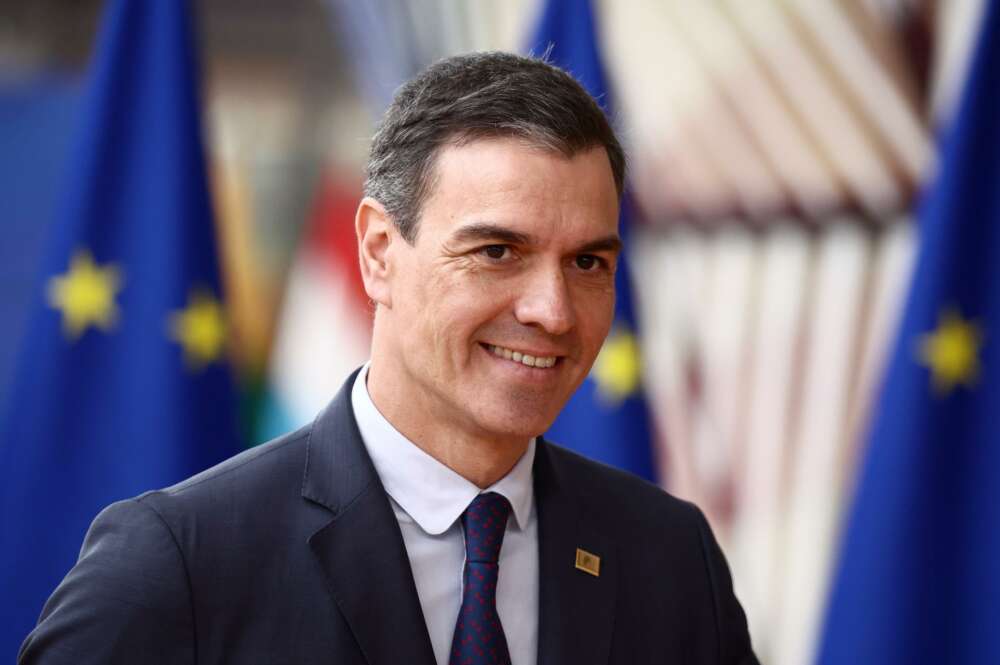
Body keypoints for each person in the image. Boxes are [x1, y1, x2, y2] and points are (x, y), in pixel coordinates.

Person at [19, 52, 758, 665]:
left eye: (588, 262)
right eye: (497, 251)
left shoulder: (670, 558)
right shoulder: (179, 564)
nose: (553, 311)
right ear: (378, 252)